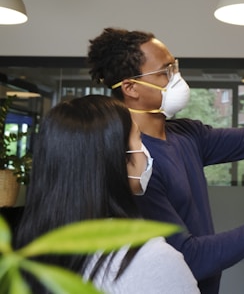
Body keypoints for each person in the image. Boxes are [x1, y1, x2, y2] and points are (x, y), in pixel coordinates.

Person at [87, 27, 244, 294]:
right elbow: (188, 258)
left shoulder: (185, 134)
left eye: (175, 67)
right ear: (131, 88)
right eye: (164, 73)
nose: (176, 79)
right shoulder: (135, 166)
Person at [14, 95, 200, 294]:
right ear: (116, 157)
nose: (145, 152)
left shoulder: (21, 254)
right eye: (139, 138)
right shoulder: (151, 260)